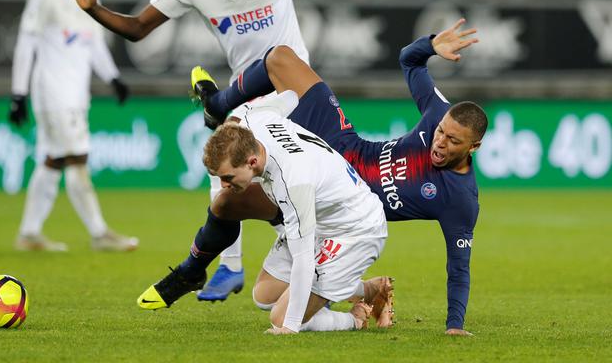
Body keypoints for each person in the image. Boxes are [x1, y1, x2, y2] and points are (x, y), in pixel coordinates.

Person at [62, 0, 460, 298]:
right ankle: (251, 264)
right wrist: (93, 8)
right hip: (249, 95)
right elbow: (137, 28)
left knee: (234, 158)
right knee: (228, 181)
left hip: (293, 90)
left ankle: (222, 263)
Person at [150, 19, 484, 336]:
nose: (440, 141)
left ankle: (358, 300)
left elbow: (459, 268)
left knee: (239, 223)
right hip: (341, 146)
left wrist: (454, 324)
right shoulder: (441, 114)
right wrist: (430, 45)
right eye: (441, 133)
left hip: (340, 207)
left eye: (453, 141)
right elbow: (409, 61)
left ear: (474, 147)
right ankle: (216, 105)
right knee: (280, 58)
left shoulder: (459, 199)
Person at [140, 92, 394, 333]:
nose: (224, 186)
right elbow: (290, 96)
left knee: (281, 316)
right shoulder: (254, 120)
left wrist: (290, 326)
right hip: (324, 217)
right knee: (265, 295)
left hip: (355, 231)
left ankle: (355, 319)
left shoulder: (293, 181)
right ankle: (371, 289)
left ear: (252, 162)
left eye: (228, 177)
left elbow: (304, 258)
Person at [9, 0, 139, 252]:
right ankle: (99, 233)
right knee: (77, 158)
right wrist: (18, 93)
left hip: (76, 94)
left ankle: (28, 233)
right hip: (53, 93)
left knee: (54, 160)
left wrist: (113, 76)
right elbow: (26, 46)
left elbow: (92, 42)